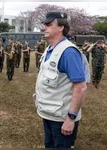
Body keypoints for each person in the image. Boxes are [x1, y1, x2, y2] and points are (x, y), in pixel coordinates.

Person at [34, 12, 87, 148]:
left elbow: (80, 87)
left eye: (49, 25)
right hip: (49, 114)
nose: (44, 27)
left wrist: (71, 118)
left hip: (62, 118)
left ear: (61, 27)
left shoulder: (68, 52)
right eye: (44, 25)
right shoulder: (50, 49)